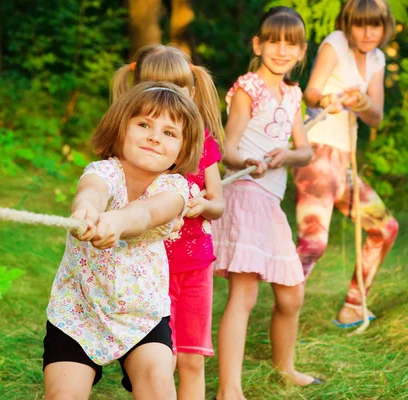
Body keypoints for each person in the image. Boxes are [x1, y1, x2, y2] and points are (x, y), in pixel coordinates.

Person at [42, 81, 205, 400]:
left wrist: (116, 221)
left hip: (142, 315)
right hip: (78, 311)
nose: (155, 136)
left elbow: (145, 214)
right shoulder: (103, 171)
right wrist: (86, 212)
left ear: (181, 151)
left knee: (158, 385)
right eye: (144, 124)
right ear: (120, 129)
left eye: (169, 133)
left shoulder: (174, 189)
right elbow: (91, 191)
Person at [212, 7, 320, 399]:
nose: (281, 50)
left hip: (270, 202)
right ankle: (230, 390)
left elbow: (304, 151)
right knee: (244, 295)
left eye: (290, 43)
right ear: (258, 45)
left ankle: (285, 366)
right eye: (273, 40)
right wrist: (250, 162)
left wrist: (286, 155)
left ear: (301, 51)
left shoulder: (291, 95)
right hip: (245, 195)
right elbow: (229, 147)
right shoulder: (248, 88)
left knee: (291, 293)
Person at [112, 44, 224, 400]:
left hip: (195, 267)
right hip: (150, 270)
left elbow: (218, 203)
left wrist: (203, 204)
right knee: (161, 360)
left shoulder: (202, 141)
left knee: (192, 359)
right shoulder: (135, 144)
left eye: (178, 88)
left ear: (191, 92)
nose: (169, 97)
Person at [295, 0, 399, 328]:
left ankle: (355, 305)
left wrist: (365, 102)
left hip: (344, 160)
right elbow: (310, 92)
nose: (368, 33)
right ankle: (284, 311)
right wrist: (329, 99)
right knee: (314, 242)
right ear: (348, 23)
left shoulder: (378, 58)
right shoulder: (336, 42)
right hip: (317, 152)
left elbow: (376, 118)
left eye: (376, 25)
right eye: (360, 24)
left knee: (384, 228)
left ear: (385, 26)